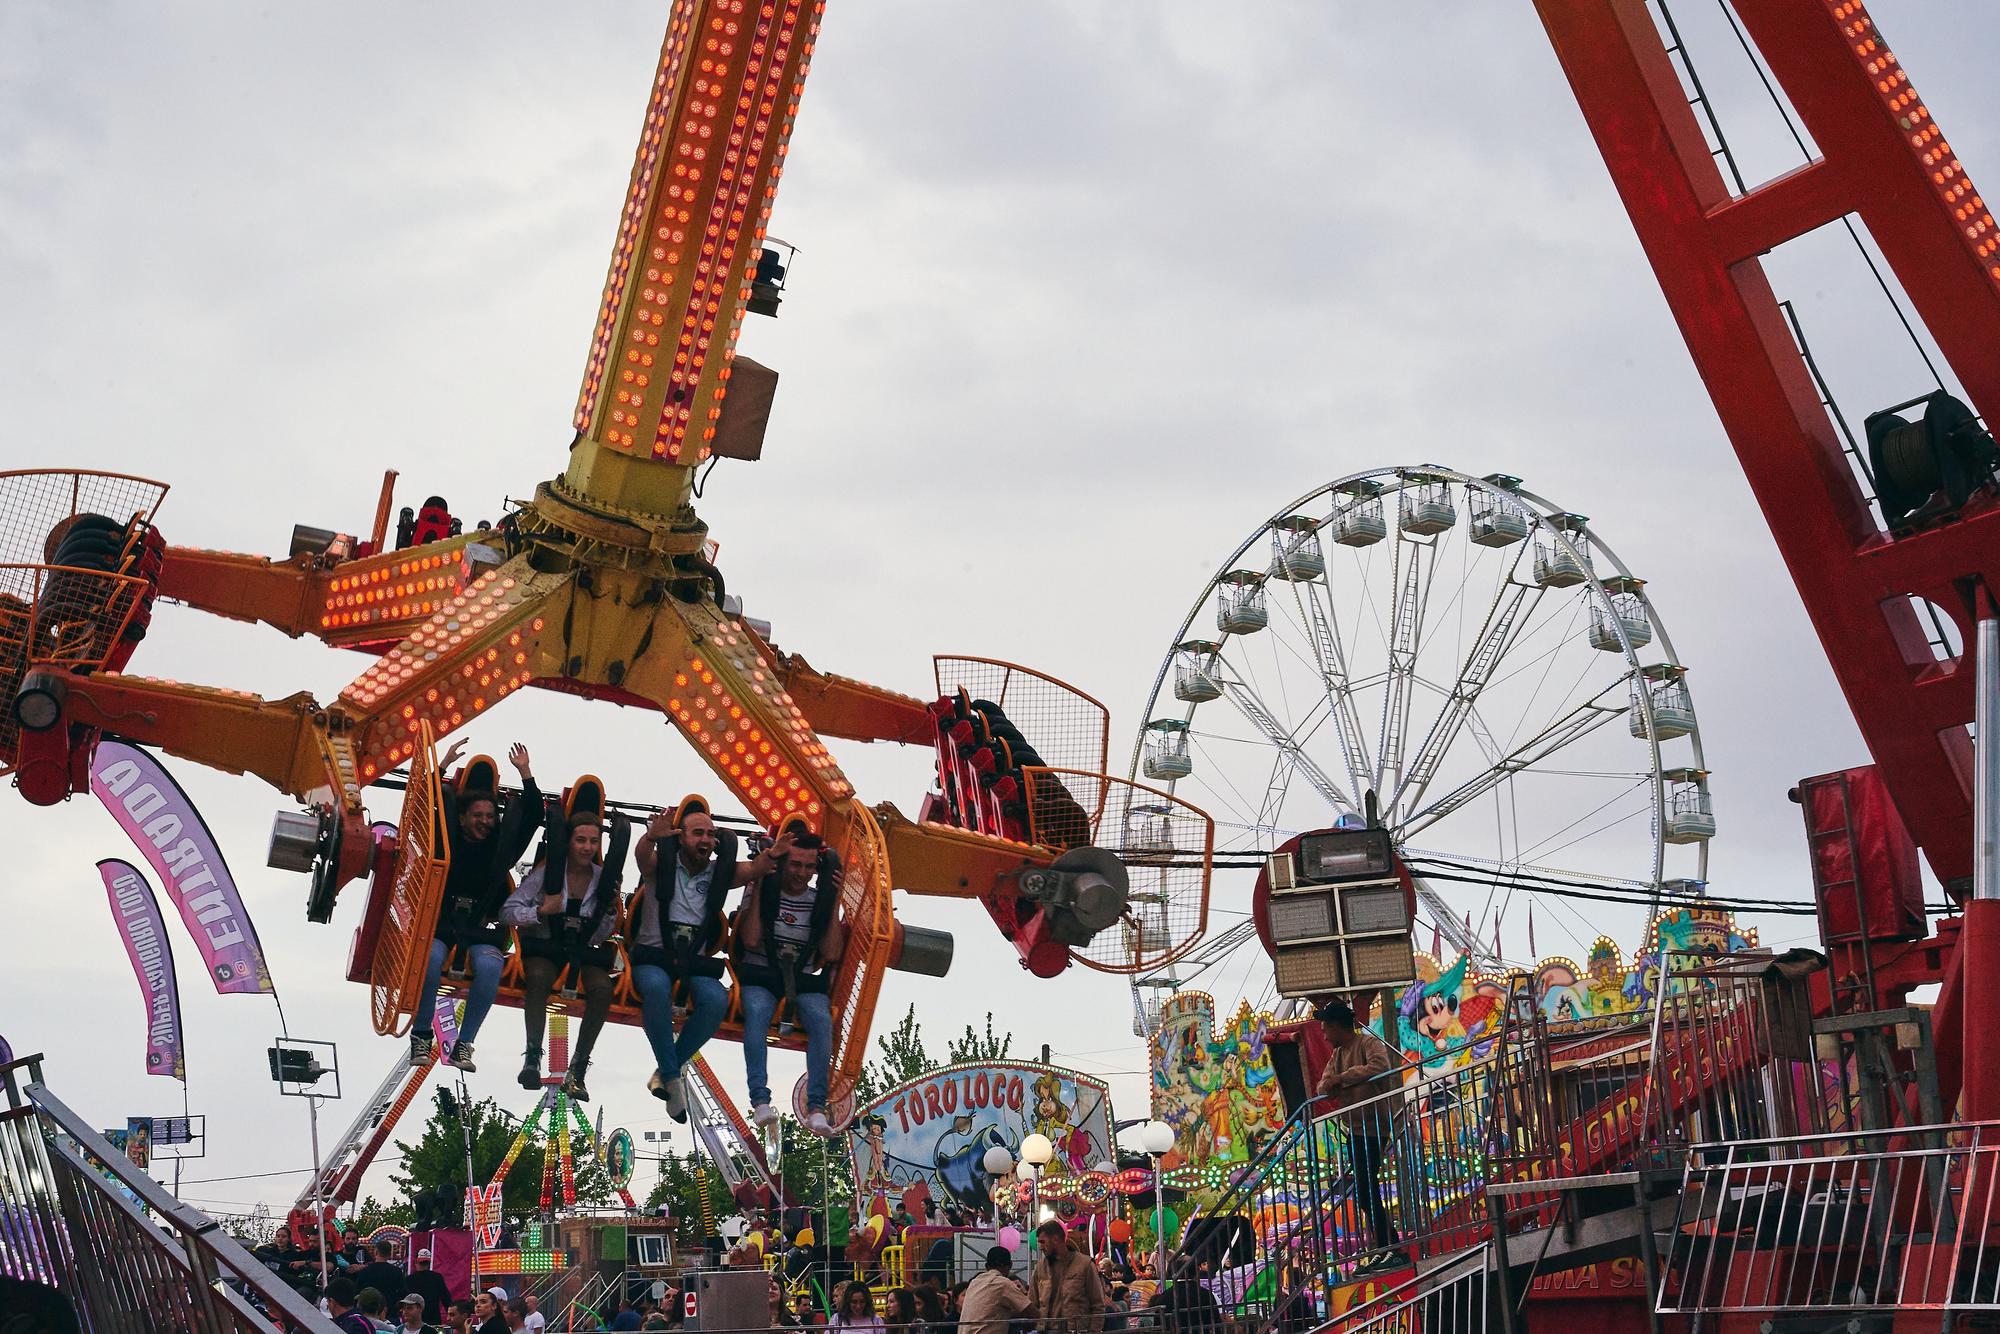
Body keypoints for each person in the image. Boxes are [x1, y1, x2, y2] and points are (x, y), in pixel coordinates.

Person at [630, 800, 787, 1121]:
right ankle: (673, 1077)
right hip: (654, 957)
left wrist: (774, 853)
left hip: (693, 963)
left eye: (711, 835)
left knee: (717, 999)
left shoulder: (719, 874)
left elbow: (755, 869)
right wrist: (650, 837)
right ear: (681, 836)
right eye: (698, 833)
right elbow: (642, 858)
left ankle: (665, 1072)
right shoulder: (662, 865)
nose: (706, 840)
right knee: (657, 989)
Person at [413, 742, 542, 1070]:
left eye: (489, 816)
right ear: (462, 818)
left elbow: (534, 816)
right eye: (478, 816)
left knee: (489, 969)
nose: (485, 822)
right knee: (429, 960)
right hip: (442, 924)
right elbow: (422, 803)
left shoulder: (500, 849)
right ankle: (422, 1036)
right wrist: (440, 766)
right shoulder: (446, 841)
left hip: (481, 927)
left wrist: (526, 773)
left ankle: (464, 1044)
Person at [503, 780, 629, 1099]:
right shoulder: (547, 874)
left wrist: (610, 910)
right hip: (546, 946)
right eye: (580, 840)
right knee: (539, 976)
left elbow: (601, 935)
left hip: (583, 952)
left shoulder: (602, 881)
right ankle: (533, 1055)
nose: (586, 847)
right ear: (569, 842)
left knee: (602, 988)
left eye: (592, 842)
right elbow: (509, 910)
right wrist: (539, 912)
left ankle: (579, 1068)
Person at [735, 829, 845, 1133]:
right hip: (762, 975)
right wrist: (760, 887)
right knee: (756, 1012)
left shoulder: (816, 900)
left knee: (822, 1021)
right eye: (796, 865)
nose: (802, 873)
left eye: (810, 867)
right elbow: (752, 938)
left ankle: (817, 1106)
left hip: (802, 980)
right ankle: (760, 1100)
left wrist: (832, 901)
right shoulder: (766, 892)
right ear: (782, 863)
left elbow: (832, 952)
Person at [1313, 998, 1404, 1264]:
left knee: (1366, 1189)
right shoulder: (1337, 1055)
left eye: (1326, 1029)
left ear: (1337, 1026)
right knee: (1365, 1191)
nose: (1324, 1035)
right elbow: (1322, 1086)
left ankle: (1391, 1247)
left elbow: (1380, 1067)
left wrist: (1343, 1079)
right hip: (1355, 1128)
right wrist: (1335, 1082)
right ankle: (1386, 1246)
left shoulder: (1368, 1043)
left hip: (1375, 1126)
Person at [1030, 1221, 1107, 1334]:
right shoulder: (1040, 1267)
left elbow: (1098, 1305)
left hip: (1075, 1330)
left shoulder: (1085, 1265)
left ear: (1055, 1239)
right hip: (1045, 1330)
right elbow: (1033, 1302)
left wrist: (1094, 1331)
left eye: (1043, 1242)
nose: (1040, 1247)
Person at [956, 1246, 1030, 1334]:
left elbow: (988, 1312)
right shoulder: (1003, 1283)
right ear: (1010, 1265)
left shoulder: (974, 1283)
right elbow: (1031, 1312)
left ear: (986, 1267)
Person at [351, 1240, 405, 1308]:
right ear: (389, 1253)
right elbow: (402, 1292)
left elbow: (357, 1290)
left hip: (368, 1308)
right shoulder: (397, 1271)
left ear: (376, 1252)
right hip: (389, 1309)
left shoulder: (365, 1271)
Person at [405, 1248, 452, 1326]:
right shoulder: (437, 1277)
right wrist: (451, 1315)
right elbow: (446, 1299)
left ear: (416, 1262)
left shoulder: (409, 1279)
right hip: (434, 1319)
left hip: (414, 1320)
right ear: (429, 1263)